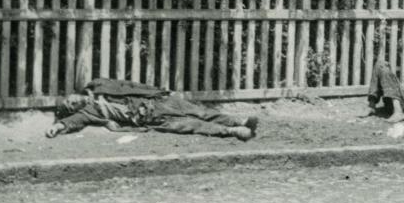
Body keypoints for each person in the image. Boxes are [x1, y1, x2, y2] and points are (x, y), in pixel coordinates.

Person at [46, 78, 259, 140]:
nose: (73, 102)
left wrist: (157, 91)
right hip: (150, 119)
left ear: (75, 94)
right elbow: (73, 122)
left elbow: (130, 85)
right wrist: (58, 126)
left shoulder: (98, 84)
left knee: (200, 111)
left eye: (71, 99)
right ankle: (232, 132)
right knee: (190, 125)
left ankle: (238, 121)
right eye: (70, 106)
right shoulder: (89, 112)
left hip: (156, 101)